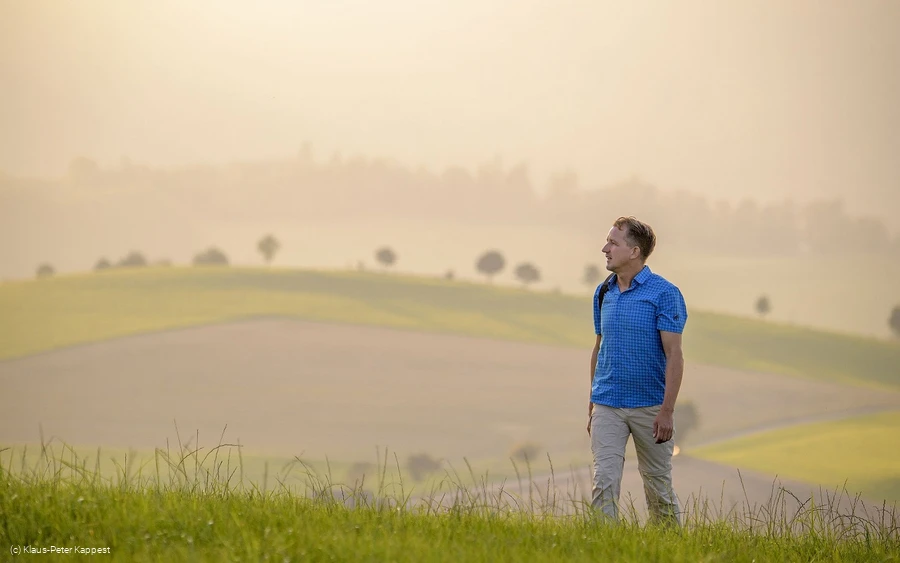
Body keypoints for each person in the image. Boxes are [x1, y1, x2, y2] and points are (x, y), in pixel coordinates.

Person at [587, 216, 687, 525]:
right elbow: (598, 348)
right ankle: (602, 549)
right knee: (603, 481)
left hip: (651, 408)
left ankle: (670, 550)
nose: (605, 248)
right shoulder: (603, 292)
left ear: (634, 251)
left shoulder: (664, 294)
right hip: (607, 405)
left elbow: (675, 355)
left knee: (658, 488)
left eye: (613, 243)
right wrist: (592, 402)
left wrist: (667, 411)